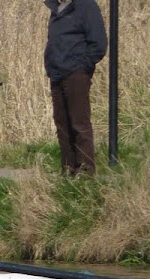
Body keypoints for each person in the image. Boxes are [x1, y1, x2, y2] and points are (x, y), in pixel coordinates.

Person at [45, 0, 107, 177]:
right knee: (62, 123)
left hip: (76, 72)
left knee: (79, 122)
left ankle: (85, 168)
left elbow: (99, 43)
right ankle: (68, 168)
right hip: (57, 73)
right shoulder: (56, 9)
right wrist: (50, 66)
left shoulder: (86, 6)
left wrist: (83, 65)